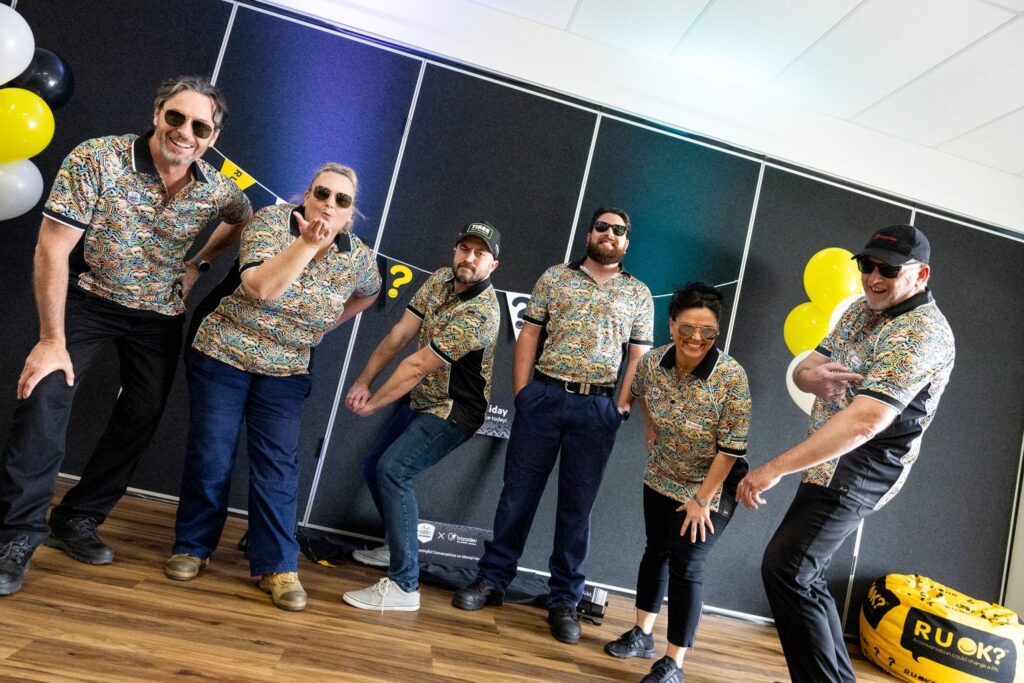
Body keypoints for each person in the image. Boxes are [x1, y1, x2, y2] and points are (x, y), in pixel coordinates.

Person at [0, 75, 252, 596]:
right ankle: (16, 535)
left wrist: (199, 263)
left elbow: (242, 220)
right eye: (176, 117)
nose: (185, 132)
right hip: (89, 300)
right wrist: (51, 339)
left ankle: (78, 519)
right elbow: (51, 250)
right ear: (158, 112)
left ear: (212, 138)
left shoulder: (217, 188)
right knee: (46, 398)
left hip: (158, 314)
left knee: (140, 415)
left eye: (199, 126)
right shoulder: (99, 158)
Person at [737, 224, 955, 683]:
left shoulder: (920, 333)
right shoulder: (862, 309)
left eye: (889, 270)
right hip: (830, 458)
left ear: (921, 275)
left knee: (788, 570)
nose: (873, 277)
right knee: (802, 575)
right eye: (867, 265)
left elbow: (865, 421)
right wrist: (811, 378)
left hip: (863, 465)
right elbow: (807, 368)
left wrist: (771, 470)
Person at [163, 163, 380, 611]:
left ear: (351, 212)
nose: (329, 204)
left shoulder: (357, 256)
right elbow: (262, 288)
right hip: (223, 351)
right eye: (322, 192)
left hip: (286, 369)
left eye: (342, 200)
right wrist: (307, 243)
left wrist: (324, 326)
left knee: (278, 466)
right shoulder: (270, 223)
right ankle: (193, 547)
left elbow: (371, 291)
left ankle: (278, 567)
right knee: (212, 453)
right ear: (307, 194)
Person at [453, 208, 654, 645]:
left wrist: (620, 406)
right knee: (516, 496)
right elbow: (528, 335)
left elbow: (638, 356)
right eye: (602, 227)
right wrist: (523, 393)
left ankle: (564, 599)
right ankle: (492, 580)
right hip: (543, 398)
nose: (609, 234)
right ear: (590, 233)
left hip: (597, 408)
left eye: (619, 230)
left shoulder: (638, 293)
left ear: (626, 242)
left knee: (576, 510)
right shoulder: (554, 278)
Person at [341, 221, 502, 612]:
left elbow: (417, 364)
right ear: (454, 252)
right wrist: (364, 380)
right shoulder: (442, 279)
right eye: (464, 248)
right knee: (373, 465)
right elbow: (400, 334)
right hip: (423, 398)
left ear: (493, 265)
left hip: (456, 410)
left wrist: (375, 402)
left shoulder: (482, 313)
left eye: (480, 253)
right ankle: (396, 545)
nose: (470, 258)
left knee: (393, 471)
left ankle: (404, 586)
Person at [604, 283, 751, 683]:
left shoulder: (731, 378)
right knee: (656, 551)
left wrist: (702, 500)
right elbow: (640, 393)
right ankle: (641, 635)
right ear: (671, 326)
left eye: (708, 332)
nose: (697, 339)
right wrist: (651, 429)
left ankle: (673, 663)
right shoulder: (652, 363)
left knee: (688, 565)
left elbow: (730, 450)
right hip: (663, 473)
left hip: (712, 486)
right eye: (688, 328)